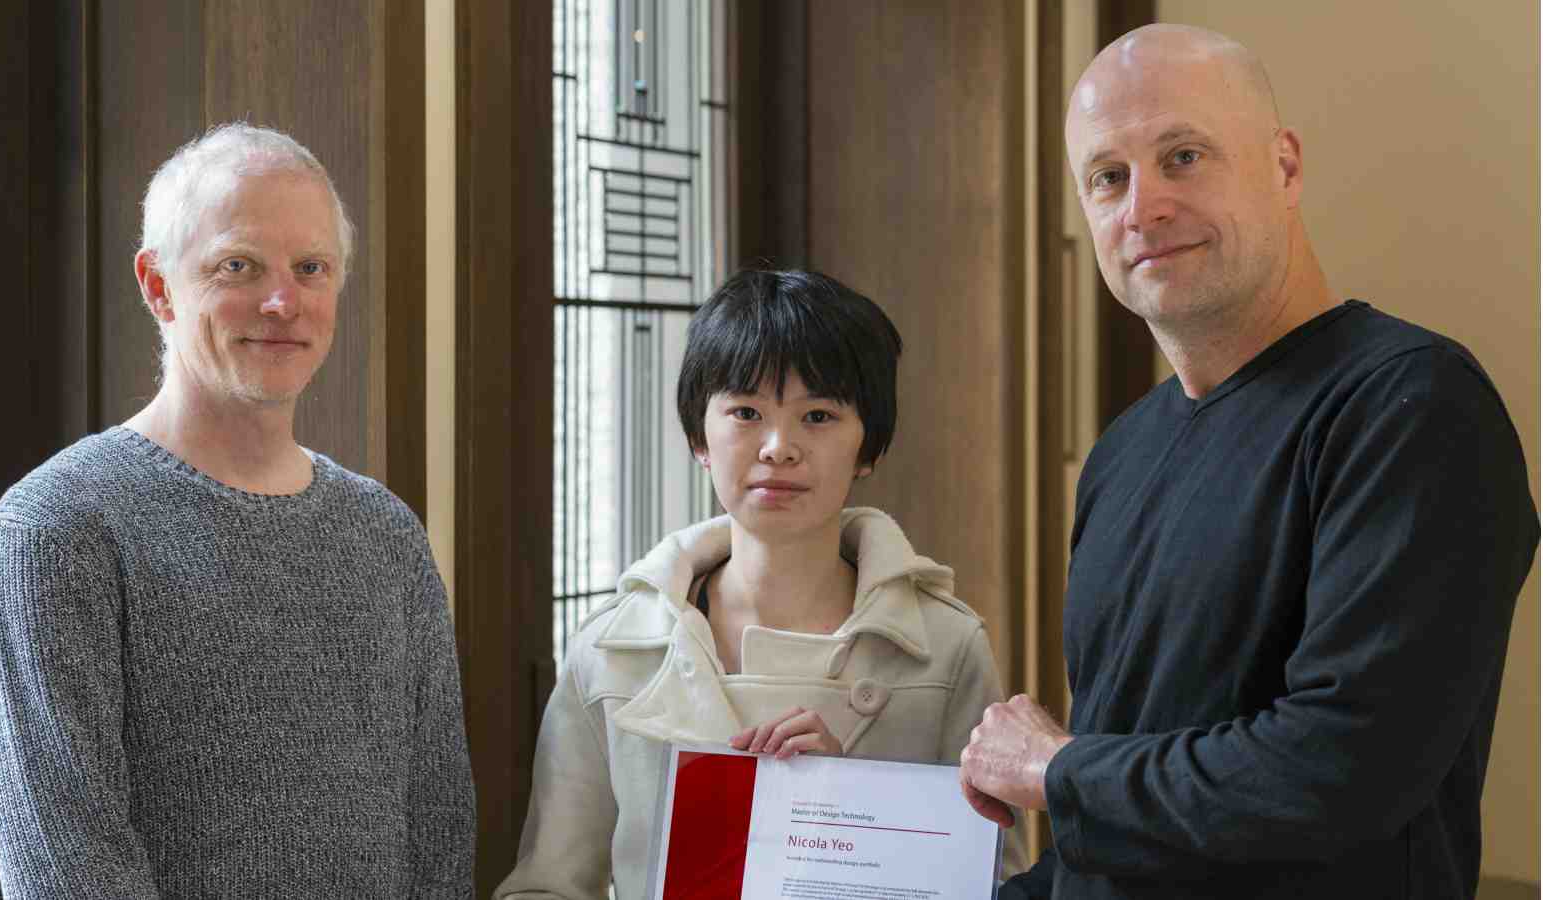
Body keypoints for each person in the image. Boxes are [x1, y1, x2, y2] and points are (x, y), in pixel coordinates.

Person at [960, 24, 1538, 900]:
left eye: (1183, 156)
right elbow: (1123, 826)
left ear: (1286, 166)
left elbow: (1341, 768)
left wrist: (1058, 771)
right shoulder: (1122, 454)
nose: (1143, 206)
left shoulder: (1410, 407)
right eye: (1108, 177)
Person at [0, 123, 476, 897]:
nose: (282, 301)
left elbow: (439, 835)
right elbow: (70, 876)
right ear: (158, 285)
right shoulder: (56, 530)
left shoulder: (386, 535)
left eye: (312, 268)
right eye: (238, 266)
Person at [497, 269, 1030, 898]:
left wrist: (845, 812)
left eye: (819, 416)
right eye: (747, 412)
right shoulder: (611, 652)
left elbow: (999, 883)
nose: (779, 447)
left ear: (870, 448)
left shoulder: (945, 646)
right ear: (700, 434)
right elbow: (549, 886)